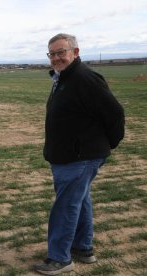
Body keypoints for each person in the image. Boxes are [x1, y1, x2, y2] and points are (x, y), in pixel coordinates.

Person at [34, 33, 125, 275]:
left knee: (65, 206)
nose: (56, 58)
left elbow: (115, 113)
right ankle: (83, 248)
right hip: (72, 156)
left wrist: (107, 144)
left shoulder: (85, 78)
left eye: (61, 52)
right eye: (52, 54)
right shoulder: (64, 78)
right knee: (79, 201)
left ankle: (60, 258)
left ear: (75, 52)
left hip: (79, 157)